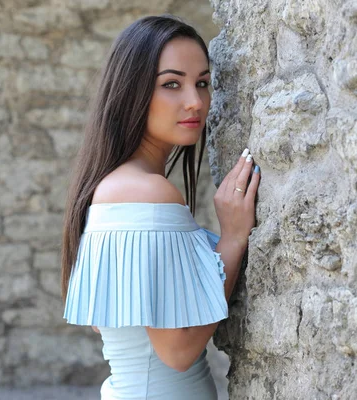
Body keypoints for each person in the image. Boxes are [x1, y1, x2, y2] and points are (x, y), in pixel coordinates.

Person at [61, 15, 260, 399]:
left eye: (202, 82)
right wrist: (233, 239)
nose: (195, 101)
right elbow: (178, 351)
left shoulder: (111, 188)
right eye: (172, 84)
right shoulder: (147, 193)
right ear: (130, 92)